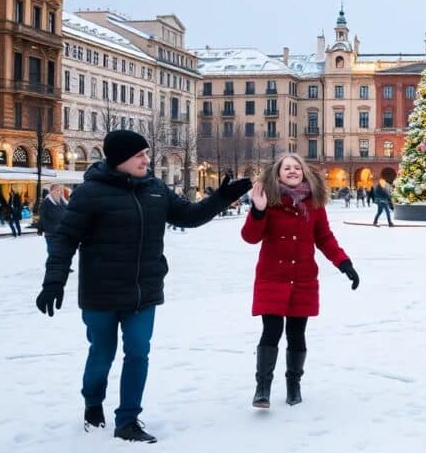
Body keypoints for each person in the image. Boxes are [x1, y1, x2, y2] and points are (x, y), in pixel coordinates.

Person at [34, 129, 251, 443]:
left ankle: (128, 420)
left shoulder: (156, 189)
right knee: (102, 353)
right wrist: (54, 281)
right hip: (101, 292)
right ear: (120, 159)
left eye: (146, 154)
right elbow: (65, 239)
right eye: (140, 155)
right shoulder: (90, 193)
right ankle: (93, 402)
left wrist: (221, 198)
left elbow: (188, 216)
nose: (146, 160)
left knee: (138, 352)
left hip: (143, 290)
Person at [242, 153, 359, 408]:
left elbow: (325, 238)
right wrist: (258, 211)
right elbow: (250, 237)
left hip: (302, 279)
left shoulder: (314, 204)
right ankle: (262, 388)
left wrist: (344, 263)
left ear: (304, 172)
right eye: (287, 168)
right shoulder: (268, 201)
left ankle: (293, 385)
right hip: (272, 278)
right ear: (278, 173)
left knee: (297, 334)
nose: (292, 171)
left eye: (297, 167)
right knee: (271, 331)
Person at [36, 184, 67, 253]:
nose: (60, 192)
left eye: (62, 191)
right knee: (53, 253)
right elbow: (42, 217)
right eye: (58, 190)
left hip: (62, 233)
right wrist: (40, 229)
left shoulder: (64, 203)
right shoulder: (46, 203)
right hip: (51, 233)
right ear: (51, 192)